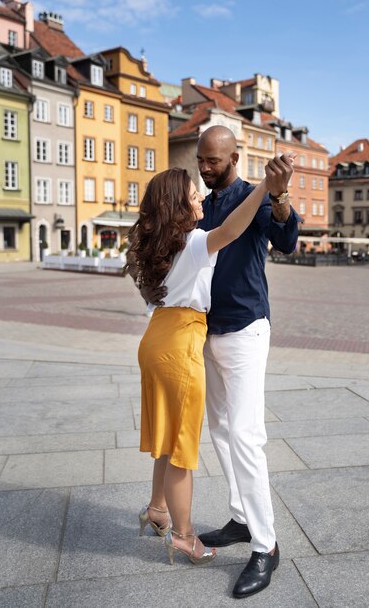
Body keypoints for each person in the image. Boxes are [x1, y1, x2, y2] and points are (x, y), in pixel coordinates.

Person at [125, 158, 293, 569]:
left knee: (165, 437)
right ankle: (184, 538)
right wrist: (265, 188)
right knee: (182, 446)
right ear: (178, 205)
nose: (199, 193)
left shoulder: (157, 246)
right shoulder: (193, 240)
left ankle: (157, 509)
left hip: (155, 340)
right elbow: (232, 229)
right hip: (182, 342)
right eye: (192, 193)